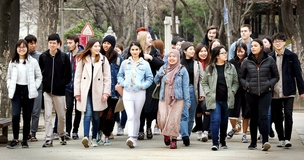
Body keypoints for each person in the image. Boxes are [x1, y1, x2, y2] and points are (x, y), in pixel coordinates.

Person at [239, 39, 279, 151]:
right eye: (251, 46)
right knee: (254, 117)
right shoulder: (246, 61)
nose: (253, 48)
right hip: (251, 93)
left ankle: (265, 141)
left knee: (263, 116)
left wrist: (269, 84)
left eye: (255, 46)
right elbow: (241, 77)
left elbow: (276, 76)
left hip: (265, 93)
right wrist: (247, 85)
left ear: (261, 47)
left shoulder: (269, 60)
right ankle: (253, 142)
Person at [74, 38, 111, 148]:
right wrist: (77, 93)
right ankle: (86, 137)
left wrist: (105, 93)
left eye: (98, 46)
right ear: (89, 47)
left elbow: (107, 78)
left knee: (96, 116)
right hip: (85, 91)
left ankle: (94, 138)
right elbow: (78, 76)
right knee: (88, 113)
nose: (97, 48)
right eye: (95, 46)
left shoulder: (103, 60)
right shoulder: (82, 59)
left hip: (98, 91)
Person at [269, 33, 304, 148]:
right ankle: (281, 139)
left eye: (280, 41)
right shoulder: (269, 57)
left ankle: (287, 138)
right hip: (274, 91)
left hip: (289, 90)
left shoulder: (291, 56)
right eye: (275, 41)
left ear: (284, 43)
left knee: (288, 114)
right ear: (273, 44)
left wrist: (301, 90)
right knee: (277, 116)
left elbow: (298, 74)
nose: (278, 43)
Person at [6, 39, 42, 149]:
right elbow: (9, 77)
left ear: (27, 49)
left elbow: (39, 76)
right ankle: (15, 138)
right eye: (19, 47)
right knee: (15, 115)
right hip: (16, 90)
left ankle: (25, 140)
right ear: (16, 48)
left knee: (27, 116)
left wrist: (35, 86)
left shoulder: (33, 61)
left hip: (28, 90)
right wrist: (9, 86)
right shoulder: (12, 62)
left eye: (24, 47)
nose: (21, 49)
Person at [202, 45, 238, 151]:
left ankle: (223, 141)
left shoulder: (231, 67)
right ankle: (215, 142)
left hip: (227, 99)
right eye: (223, 53)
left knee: (223, 121)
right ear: (217, 55)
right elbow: (204, 82)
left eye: (226, 52)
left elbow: (236, 82)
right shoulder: (210, 68)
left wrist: (233, 91)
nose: (225, 54)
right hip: (214, 99)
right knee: (215, 120)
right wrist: (208, 92)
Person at [117, 41, 153, 148]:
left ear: (140, 50)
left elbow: (150, 78)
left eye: (136, 49)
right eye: (132, 50)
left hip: (140, 92)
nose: (134, 52)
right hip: (128, 92)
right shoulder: (125, 63)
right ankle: (131, 137)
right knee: (131, 116)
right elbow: (120, 76)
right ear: (130, 51)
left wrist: (142, 85)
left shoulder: (145, 64)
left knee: (137, 116)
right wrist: (123, 83)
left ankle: (135, 138)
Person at [39, 33, 72, 147]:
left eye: (54, 43)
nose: (52, 45)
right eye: (50, 43)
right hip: (47, 92)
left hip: (60, 92)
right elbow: (40, 74)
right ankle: (48, 138)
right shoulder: (43, 57)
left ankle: (61, 134)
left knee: (61, 116)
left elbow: (68, 75)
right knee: (47, 115)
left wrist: (61, 84)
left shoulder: (64, 57)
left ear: (59, 44)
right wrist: (44, 84)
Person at [154, 49, 190, 149]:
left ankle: (174, 140)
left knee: (174, 120)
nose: (172, 58)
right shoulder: (164, 67)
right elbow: (155, 80)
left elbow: (185, 87)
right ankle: (166, 134)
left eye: (174, 56)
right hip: (163, 96)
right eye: (170, 56)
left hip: (178, 98)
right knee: (162, 118)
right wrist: (160, 73)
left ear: (178, 57)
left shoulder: (182, 70)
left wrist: (187, 101)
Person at [137, 32, 164, 140]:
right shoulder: (135, 49)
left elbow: (161, 65)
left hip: (151, 82)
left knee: (149, 106)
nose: (151, 39)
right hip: (138, 82)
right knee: (140, 106)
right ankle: (140, 129)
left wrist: (151, 58)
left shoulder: (154, 51)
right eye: (148, 37)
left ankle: (149, 127)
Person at [178, 41, 204, 146]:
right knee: (183, 114)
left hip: (193, 90)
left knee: (191, 115)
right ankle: (183, 134)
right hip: (181, 91)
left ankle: (187, 135)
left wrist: (202, 93)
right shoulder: (179, 63)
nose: (193, 51)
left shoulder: (197, 64)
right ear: (184, 51)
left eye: (193, 49)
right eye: (190, 49)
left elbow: (202, 79)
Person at [99, 35, 123, 145]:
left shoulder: (118, 58)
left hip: (113, 91)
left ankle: (107, 134)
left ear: (112, 45)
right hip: (100, 90)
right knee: (101, 113)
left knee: (110, 114)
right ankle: (100, 132)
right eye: (104, 43)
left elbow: (122, 73)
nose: (106, 45)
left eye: (108, 43)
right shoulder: (98, 56)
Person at [227, 42, 250, 143]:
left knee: (246, 113)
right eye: (238, 51)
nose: (240, 53)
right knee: (232, 112)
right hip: (234, 91)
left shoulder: (249, 61)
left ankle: (244, 134)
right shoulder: (231, 62)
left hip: (246, 90)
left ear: (245, 51)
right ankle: (235, 128)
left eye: (242, 51)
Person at [64, 34, 84, 140]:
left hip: (80, 87)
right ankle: (67, 131)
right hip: (68, 87)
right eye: (67, 43)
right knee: (69, 108)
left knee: (78, 109)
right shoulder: (67, 56)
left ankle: (75, 131)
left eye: (70, 43)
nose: (68, 45)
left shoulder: (83, 55)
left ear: (76, 43)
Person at [24, 34, 42, 142]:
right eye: (31, 43)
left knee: (36, 111)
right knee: (27, 112)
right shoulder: (22, 57)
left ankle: (33, 133)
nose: (33, 45)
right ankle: (26, 133)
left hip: (38, 87)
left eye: (35, 43)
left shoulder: (40, 56)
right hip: (25, 88)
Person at [192, 44, 211, 141]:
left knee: (207, 111)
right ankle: (199, 129)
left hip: (209, 90)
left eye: (205, 51)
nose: (203, 53)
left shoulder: (211, 63)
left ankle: (205, 131)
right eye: (201, 51)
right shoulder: (195, 63)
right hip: (197, 90)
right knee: (198, 111)